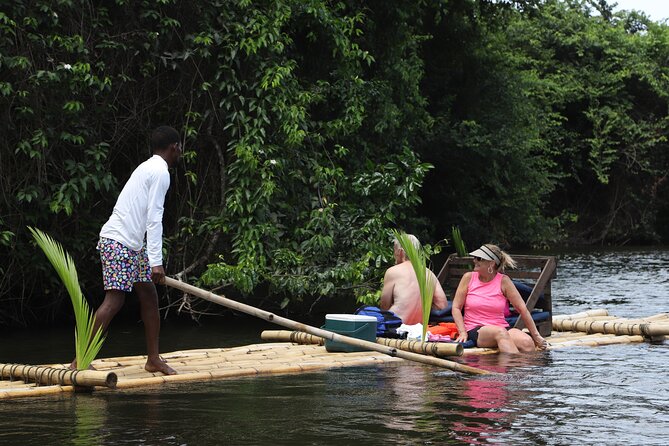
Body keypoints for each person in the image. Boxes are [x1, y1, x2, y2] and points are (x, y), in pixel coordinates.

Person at [76, 126, 182, 374]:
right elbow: (154, 218)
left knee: (149, 295)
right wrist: (156, 262)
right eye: (180, 148)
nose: (180, 152)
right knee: (114, 300)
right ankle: (79, 360)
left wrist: (149, 257)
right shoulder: (159, 171)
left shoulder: (148, 167)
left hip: (133, 245)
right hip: (118, 242)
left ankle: (153, 359)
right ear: (174, 147)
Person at [452, 244, 548, 353]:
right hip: (476, 329)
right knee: (500, 332)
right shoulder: (468, 278)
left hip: (501, 327)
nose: (474, 261)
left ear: (491, 263)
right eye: (475, 257)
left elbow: (523, 309)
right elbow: (456, 307)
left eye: (479, 258)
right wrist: (462, 332)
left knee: (526, 342)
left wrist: (536, 336)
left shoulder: (504, 281)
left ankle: (524, 368)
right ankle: (511, 369)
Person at [380, 234, 448, 325]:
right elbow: (442, 305)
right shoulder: (429, 274)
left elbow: (384, 306)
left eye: (394, 251)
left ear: (400, 252)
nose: (394, 255)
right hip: (419, 328)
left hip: (396, 326)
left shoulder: (392, 272)